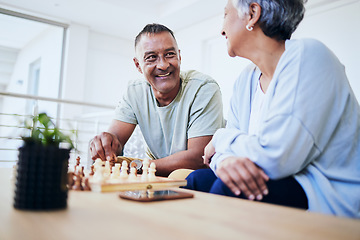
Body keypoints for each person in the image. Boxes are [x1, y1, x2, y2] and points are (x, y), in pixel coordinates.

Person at [185, 0, 360, 218]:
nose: (221, 30)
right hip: (284, 178)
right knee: (196, 180)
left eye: (225, 15)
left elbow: (276, 158)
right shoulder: (246, 79)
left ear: (252, 13)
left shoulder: (310, 56)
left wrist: (220, 137)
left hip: (325, 194)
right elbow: (220, 153)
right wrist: (227, 160)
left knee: (229, 191)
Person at [89, 24, 225, 177]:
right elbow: (116, 141)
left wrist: (137, 166)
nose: (163, 65)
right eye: (151, 57)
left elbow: (198, 158)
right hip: (158, 177)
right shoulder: (134, 91)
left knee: (182, 175)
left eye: (169, 54)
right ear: (138, 65)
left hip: (200, 178)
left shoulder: (203, 88)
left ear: (179, 57)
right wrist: (107, 143)